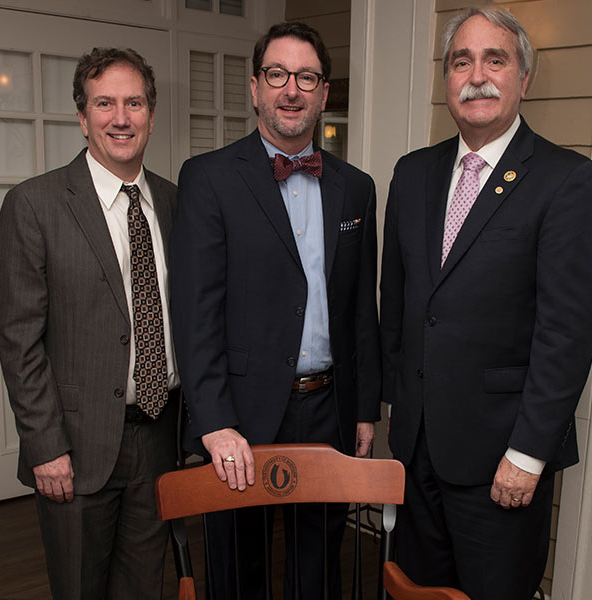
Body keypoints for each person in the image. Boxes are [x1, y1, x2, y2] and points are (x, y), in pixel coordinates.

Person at [379, 8, 592, 599]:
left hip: (501, 462)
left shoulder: (567, 182)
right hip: (418, 450)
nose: (476, 75)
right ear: (447, 79)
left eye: (495, 59)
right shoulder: (412, 174)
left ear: (523, 80)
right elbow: (401, 304)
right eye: (462, 60)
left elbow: (568, 333)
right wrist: (391, 417)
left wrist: (529, 454)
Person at [170, 21, 381, 600]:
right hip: (241, 415)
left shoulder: (356, 188)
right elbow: (195, 314)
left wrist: (364, 408)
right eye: (278, 74)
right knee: (239, 568)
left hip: (329, 409)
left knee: (319, 567)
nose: (292, 89)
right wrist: (213, 422)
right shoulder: (209, 178)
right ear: (257, 88)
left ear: (324, 92)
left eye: (307, 77)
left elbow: (363, 308)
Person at [0, 47, 179, 599]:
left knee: (144, 587)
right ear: (82, 116)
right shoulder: (35, 205)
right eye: (105, 104)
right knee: (79, 587)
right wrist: (46, 445)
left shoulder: (174, 201)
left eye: (134, 103)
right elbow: (19, 341)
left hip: (159, 434)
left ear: (150, 113)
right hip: (74, 446)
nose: (121, 118)